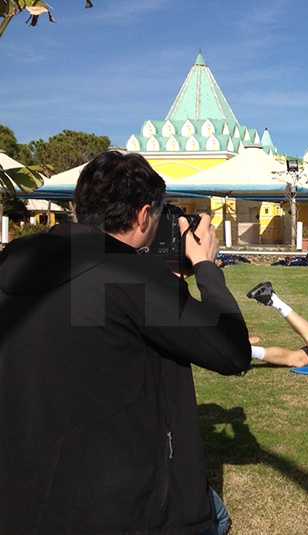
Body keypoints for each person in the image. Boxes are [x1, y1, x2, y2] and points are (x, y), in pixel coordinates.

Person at [0, 151, 251, 534]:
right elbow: (232, 350)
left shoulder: (15, 260)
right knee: (214, 514)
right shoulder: (129, 275)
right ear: (143, 214)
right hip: (118, 508)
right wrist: (204, 266)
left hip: (24, 492)